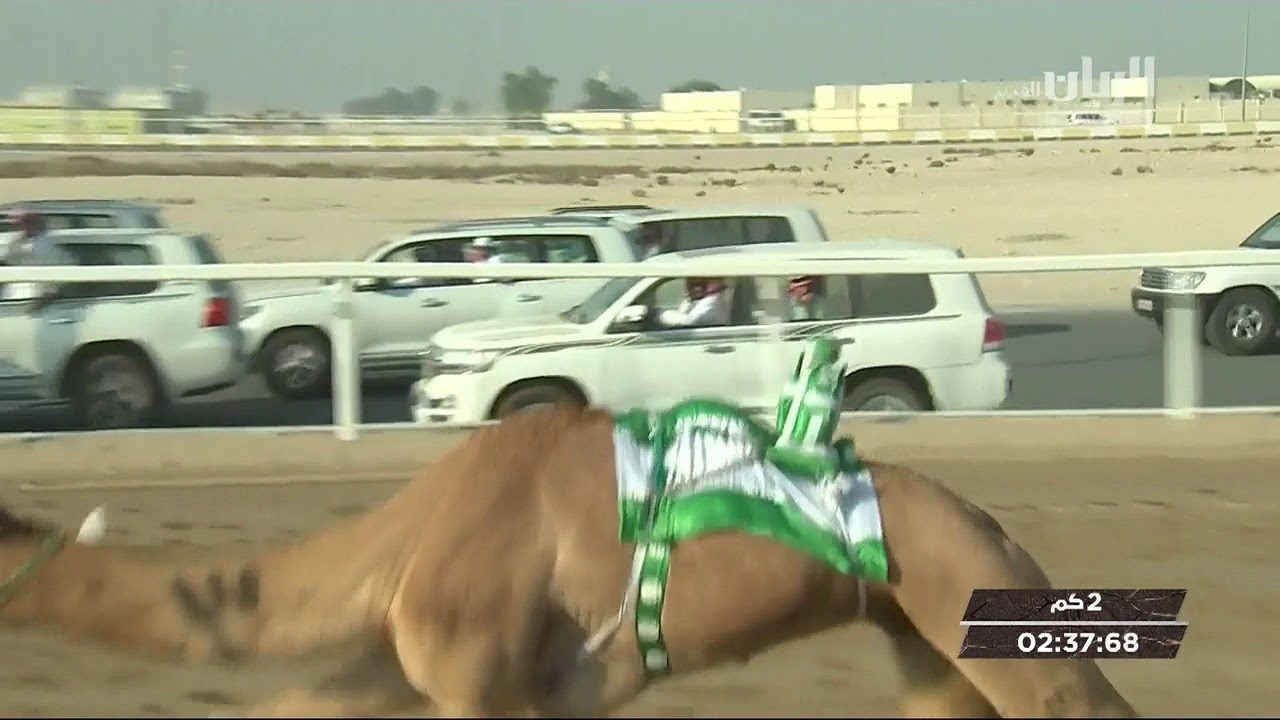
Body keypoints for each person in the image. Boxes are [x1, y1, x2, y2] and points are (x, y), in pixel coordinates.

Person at [0, 210, 75, 304]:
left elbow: (59, 277)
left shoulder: (48, 244)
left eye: (26, 223)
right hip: (14, 293)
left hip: (37, 296)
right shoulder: (19, 242)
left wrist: (47, 296)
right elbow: (9, 259)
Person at [656, 277, 731, 328]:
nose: (697, 288)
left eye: (701, 283)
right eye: (691, 283)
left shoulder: (712, 301)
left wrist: (662, 315)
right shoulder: (698, 300)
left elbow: (689, 321)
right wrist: (688, 300)